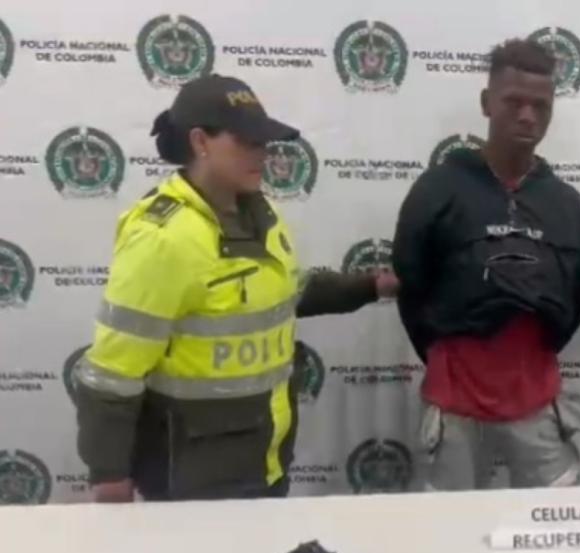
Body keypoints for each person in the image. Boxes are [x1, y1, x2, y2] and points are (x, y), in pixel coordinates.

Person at [75, 74, 398, 503]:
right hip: (190, 481)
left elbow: (287, 294)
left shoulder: (261, 216)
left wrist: (372, 286)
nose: (261, 154)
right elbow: (113, 373)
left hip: (265, 461)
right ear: (200, 142)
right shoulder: (164, 238)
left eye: (263, 142)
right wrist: (110, 476)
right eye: (246, 141)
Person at [392, 39, 580, 491]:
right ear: (487, 102)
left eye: (540, 106)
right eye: (514, 102)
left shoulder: (566, 205)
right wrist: (448, 350)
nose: (527, 116)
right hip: (454, 404)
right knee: (448, 525)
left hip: (538, 402)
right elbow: (412, 284)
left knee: (554, 521)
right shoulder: (437, 191)